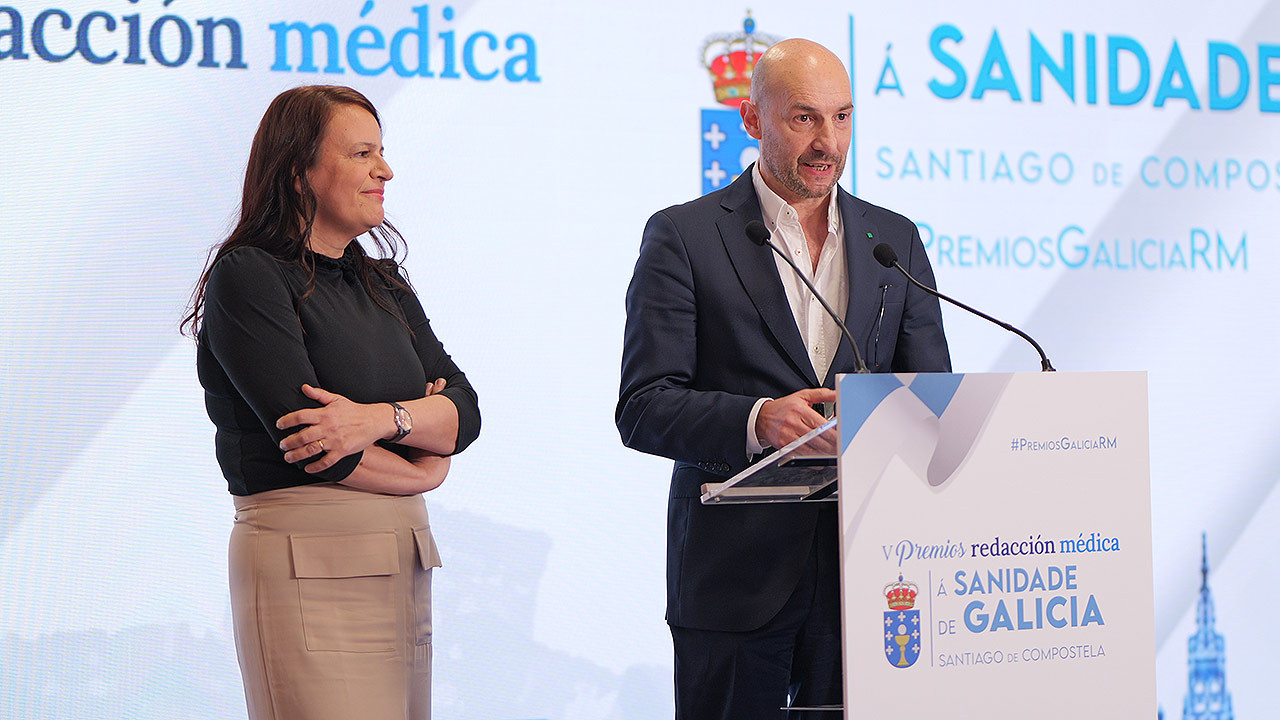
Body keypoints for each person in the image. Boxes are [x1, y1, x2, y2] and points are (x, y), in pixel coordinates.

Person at [616, 39, 950, 719]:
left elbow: (932, 400)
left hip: (873, 579)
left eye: (843, 117)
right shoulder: (683, 237)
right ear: (752, 120)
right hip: (736, 584)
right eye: (804, 118)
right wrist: (757, 419)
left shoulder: (895, 241)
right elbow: (644, 407)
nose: (828, 141)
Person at [183, 85, 480, 720]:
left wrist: (377, 421)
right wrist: (422, 465)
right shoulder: (250, 274)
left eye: (383, 151)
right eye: (362, 153)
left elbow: (465, 412)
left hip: (402, 558)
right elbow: (316, 448)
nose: (385, 169)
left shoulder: (383, 281)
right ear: (300, 174)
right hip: (308, 563)